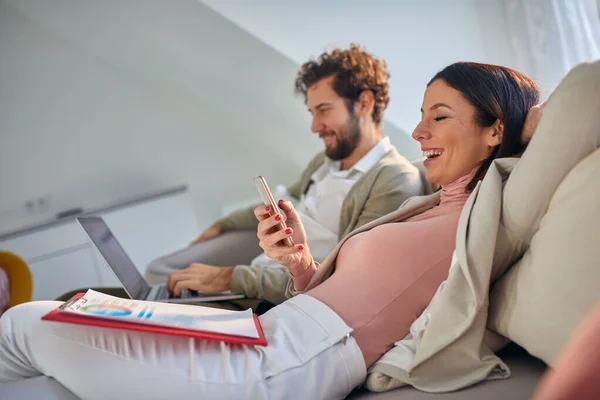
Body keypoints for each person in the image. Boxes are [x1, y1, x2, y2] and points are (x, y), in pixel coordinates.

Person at [0, 62, 540, 399]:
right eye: (422, 115)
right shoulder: (432, 204)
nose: (419, 130)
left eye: (439, 117)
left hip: (288, 361)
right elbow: (369, 295)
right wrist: (301, 263)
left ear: (496, 127)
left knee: (25, 322)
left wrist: (528, 120)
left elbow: (568, 119)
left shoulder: (478, 213)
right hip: (273, 331)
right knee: (47, 386)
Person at [126, 45, 424, 305]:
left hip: (276, 290)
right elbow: (285, 200)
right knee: (159, 271)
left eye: (324, 110)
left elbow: (345, 279)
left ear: (364, 103)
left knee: (166, 295)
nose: (315, 126)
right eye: (312, 113)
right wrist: (223, 223)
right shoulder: (327, 161)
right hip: (260, 266)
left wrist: (231, 278)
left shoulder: (394, 179)